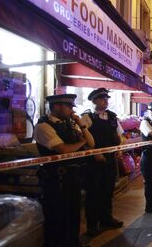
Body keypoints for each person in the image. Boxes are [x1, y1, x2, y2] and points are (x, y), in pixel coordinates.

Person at [33, 94, 95, 246]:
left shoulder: (70, 124)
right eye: (69, 107)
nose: (72, 111)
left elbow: (91, 143)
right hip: (55, 179)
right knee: (57, 216)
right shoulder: (43, 126)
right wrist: (81, 141)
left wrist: (81, 124)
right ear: (56, 107)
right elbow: (64, 150)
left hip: (73, 176)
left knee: (73, 214)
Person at [81, 88, 124, 236]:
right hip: (94, 162)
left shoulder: (112, 117)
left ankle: (106, 218)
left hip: (111, 160)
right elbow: (82, 138)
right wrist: (95, 153)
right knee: (94, 193)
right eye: (102, 99)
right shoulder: (87, 117)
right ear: (94, 101)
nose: (106, 101)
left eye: (107, 99)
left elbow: (119, 136)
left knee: (108, 191)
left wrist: (119, 149)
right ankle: (92, 225)